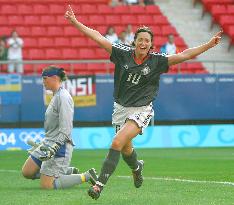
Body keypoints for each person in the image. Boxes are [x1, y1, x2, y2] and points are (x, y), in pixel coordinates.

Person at [65, 5, 222, 199]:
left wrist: (209, 44)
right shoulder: (121, 53)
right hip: (120, 108)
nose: (143, 43)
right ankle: (137, 167)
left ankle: (98, 185)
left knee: (116, 141)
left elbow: (185, 55)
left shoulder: (157, 61)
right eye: (140, 39)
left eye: (147, 40)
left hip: (142, 109)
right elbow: (97, 36)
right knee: (125, 149)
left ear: (151, 44)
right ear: (135, 41)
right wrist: (75, 22)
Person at [21, 65, 98, 189]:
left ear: (55, 78)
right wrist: (44, 144)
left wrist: (55, 147)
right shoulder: (56, 95)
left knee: (47, 186)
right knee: (27, 172)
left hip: (59, 145)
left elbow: (66, 128)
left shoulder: (63, 97)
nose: (43, 82)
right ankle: (68, 172)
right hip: (47, 143)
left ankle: (87, 176)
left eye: (45, 78)